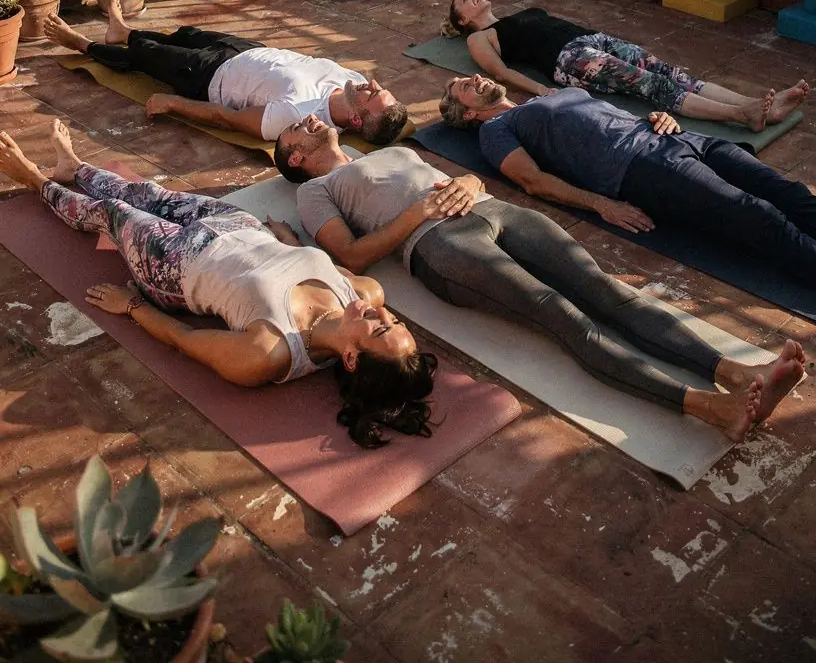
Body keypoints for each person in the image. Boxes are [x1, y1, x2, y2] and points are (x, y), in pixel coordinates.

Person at [271, 115, 807, 443]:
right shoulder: (315, 190)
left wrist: (465, 179)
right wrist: (422, 213)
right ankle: (709, 407)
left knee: (606, 290)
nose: (313, 121)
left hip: (490, 208)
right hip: (438, 246)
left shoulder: (389, 150)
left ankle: (733, 373)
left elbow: (457, 176)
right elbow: (353, 255)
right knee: (560, 313)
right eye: (300, 128)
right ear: (294, 157)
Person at [0, 125, 436, 449]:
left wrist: (131, 305)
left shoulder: (267, 353)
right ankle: (75, 168)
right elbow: (318, 264)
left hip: (176, 265)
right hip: (237, 226)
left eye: (379, 328)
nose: (381, 311)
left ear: (352, 359)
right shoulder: (366, 294)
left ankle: (36, 180)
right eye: (392, 318)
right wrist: (288, 242)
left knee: (114, 212)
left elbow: (184, 338)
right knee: (147, 192)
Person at [438, 74, 816, 280]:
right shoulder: (496, 130)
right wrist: (602, 204)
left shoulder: (542, 97)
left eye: (471, 77)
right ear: (468, 114)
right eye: (465, 88)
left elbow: (608, 116)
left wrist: (655, 117)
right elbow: (533, 180)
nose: (475, 78)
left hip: (673, 135)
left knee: (784, 190)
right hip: (641, 167)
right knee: (754, 212)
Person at [44, 0, 408, 145]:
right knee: (185, 34)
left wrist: (173, 104)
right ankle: (122, 32)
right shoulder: (353, 83)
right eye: (379, 88)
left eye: (374, 95)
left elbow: (227, 118)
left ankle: (82, 45)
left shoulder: (298, 117)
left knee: (147, 55)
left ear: (356, 121)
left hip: (209, 76)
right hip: (249, 51)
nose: (372, 84)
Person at [446, 0, 808, 131]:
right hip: (569, 60)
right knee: (651, 84)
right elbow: (501, 72)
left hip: (592, 38)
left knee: (671, 71)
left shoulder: (520, 12)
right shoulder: (480, 37)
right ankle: (741, 114)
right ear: (462, 21)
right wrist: (541, 88)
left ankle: (761, 106)